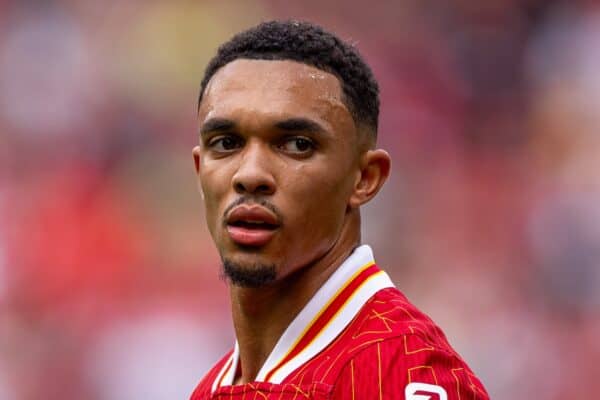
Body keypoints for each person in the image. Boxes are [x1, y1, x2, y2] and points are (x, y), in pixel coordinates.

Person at [190, 20, 489, 400]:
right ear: (200, 171)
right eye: (226, 142)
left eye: (297, 145)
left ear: (365, 178)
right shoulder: (211, 388)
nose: (250, 175)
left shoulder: (403, 374)